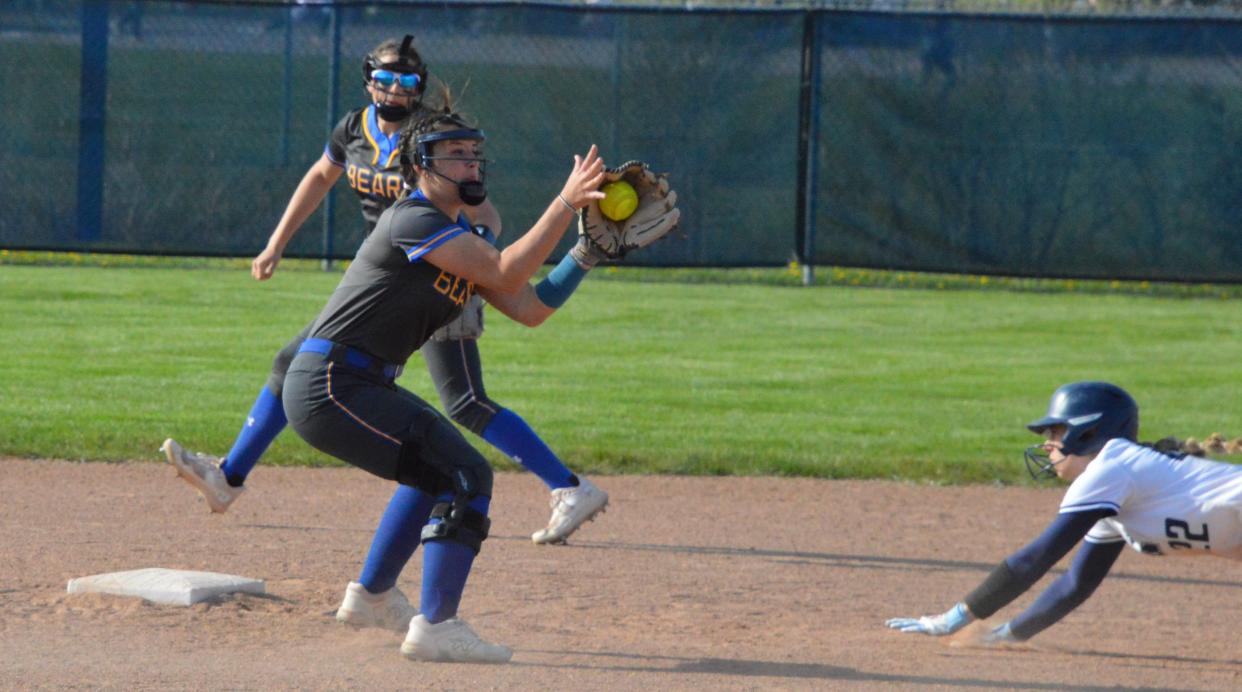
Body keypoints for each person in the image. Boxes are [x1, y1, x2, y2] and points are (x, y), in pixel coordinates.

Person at [161, 35, 608, 545]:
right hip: (394, 278)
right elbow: (318, 177)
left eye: (407, 81)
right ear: (368, 78)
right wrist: (276, 243)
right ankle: (229, 477)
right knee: (296, 361)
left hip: (441, 273)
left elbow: (492, 230)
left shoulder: (434, 142)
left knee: (463, 400)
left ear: (418, 87)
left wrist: (476, 259)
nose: (395, 89)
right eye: (386, 78)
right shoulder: (355, 129)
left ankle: (567, 486)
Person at [281, 108, 607, 661]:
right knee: (465, 474)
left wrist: (585, 253)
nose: (470, 161)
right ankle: (437, 625)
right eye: (455, 153)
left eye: (474, 152)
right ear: (419, 164)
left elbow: (527, 306)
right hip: (331, 384)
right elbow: (505, 269)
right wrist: (566, 204)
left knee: (435, 468)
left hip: (359, 383)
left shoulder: (456, 237)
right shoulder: (413, 220)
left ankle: (373, 598)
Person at [885, 381, 1242, 644]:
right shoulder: (1116, 496)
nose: (1047, 443)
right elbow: (1076, 583)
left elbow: (1036, 558)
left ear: (1088, 432)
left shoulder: (1110, 467)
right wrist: (1008, 634)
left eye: (1056, 430)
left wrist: (954, 617)